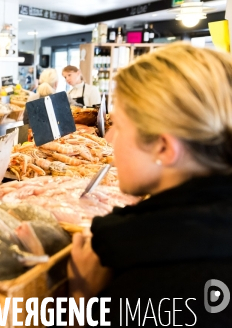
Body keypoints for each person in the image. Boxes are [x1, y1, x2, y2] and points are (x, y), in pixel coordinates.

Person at [68, 43, 232, 326]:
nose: (110, 140)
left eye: (118, 125)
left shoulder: (151, 282)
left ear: (164, 148)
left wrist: (83, 300)